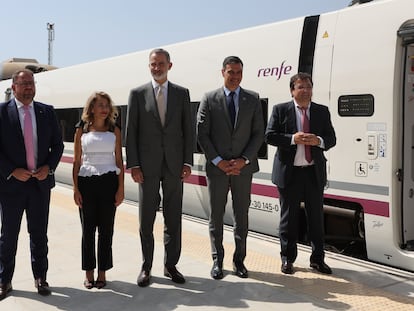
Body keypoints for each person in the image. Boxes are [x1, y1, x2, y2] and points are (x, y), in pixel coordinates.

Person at [125, 48, 193, 287]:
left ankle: (171, 265)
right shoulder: (137, 94)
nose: (157, 68)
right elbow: (130, 132)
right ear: (149, 66)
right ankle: (147, 266)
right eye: (153, 64)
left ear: (169, 66)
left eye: (161, 64)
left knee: (173, 218)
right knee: (146, 219)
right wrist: (133, 165)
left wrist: (187, 162)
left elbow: (188, 130)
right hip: (147, 167)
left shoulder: (182, 94)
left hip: (174, 166)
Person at [197, 56, 264, 280]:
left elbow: (258, 133)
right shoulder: (209, 98)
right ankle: (218, 260)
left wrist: (244, 159)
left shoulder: (252, 99)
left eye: (238, 72)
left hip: (243, 169)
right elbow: (202, 134)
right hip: (217, 169)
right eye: (230, 72)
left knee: (241, 216)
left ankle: (239, 261)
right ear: (222, 72)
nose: (234, 76)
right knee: (216, 215)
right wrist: (218, 161)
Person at [0, 69, 64, 300]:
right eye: (24, 83)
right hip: (11, 187)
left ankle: (41, 278)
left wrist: (49, 167)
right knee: (8, 236)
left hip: (39, 185)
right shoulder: (2, 112)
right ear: (14, 86)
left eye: (31, 83)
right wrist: (11, 171)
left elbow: (57, 145)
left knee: (39, 235)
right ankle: (4, 280)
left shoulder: (46, 112)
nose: (29, 87)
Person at [265, 72, 336, 275]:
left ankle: (317, 260)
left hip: (313, 172)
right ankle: (287, 259)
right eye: (301, 87)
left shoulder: (322, 111)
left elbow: (331, 138)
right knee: (289, 219)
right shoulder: (281, 110)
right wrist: (292, 138)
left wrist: (319, 141)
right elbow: (269, 136)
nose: (306, 90)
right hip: (290, 174)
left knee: (316, 219)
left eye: (309, 86)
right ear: (292, 91)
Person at [72, 92, 124, 289]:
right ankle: (89, 273)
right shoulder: (82, 129)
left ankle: (102, 273)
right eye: (100, 105)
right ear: (91, 108)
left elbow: (119, 161)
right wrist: (76, 188)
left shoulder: (114, 130)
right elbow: (77, 161)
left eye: (107, 105)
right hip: (87, 183)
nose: (104, 109)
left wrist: (121, 189)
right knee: (88, 230)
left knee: (106, 231)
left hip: (109, 183)